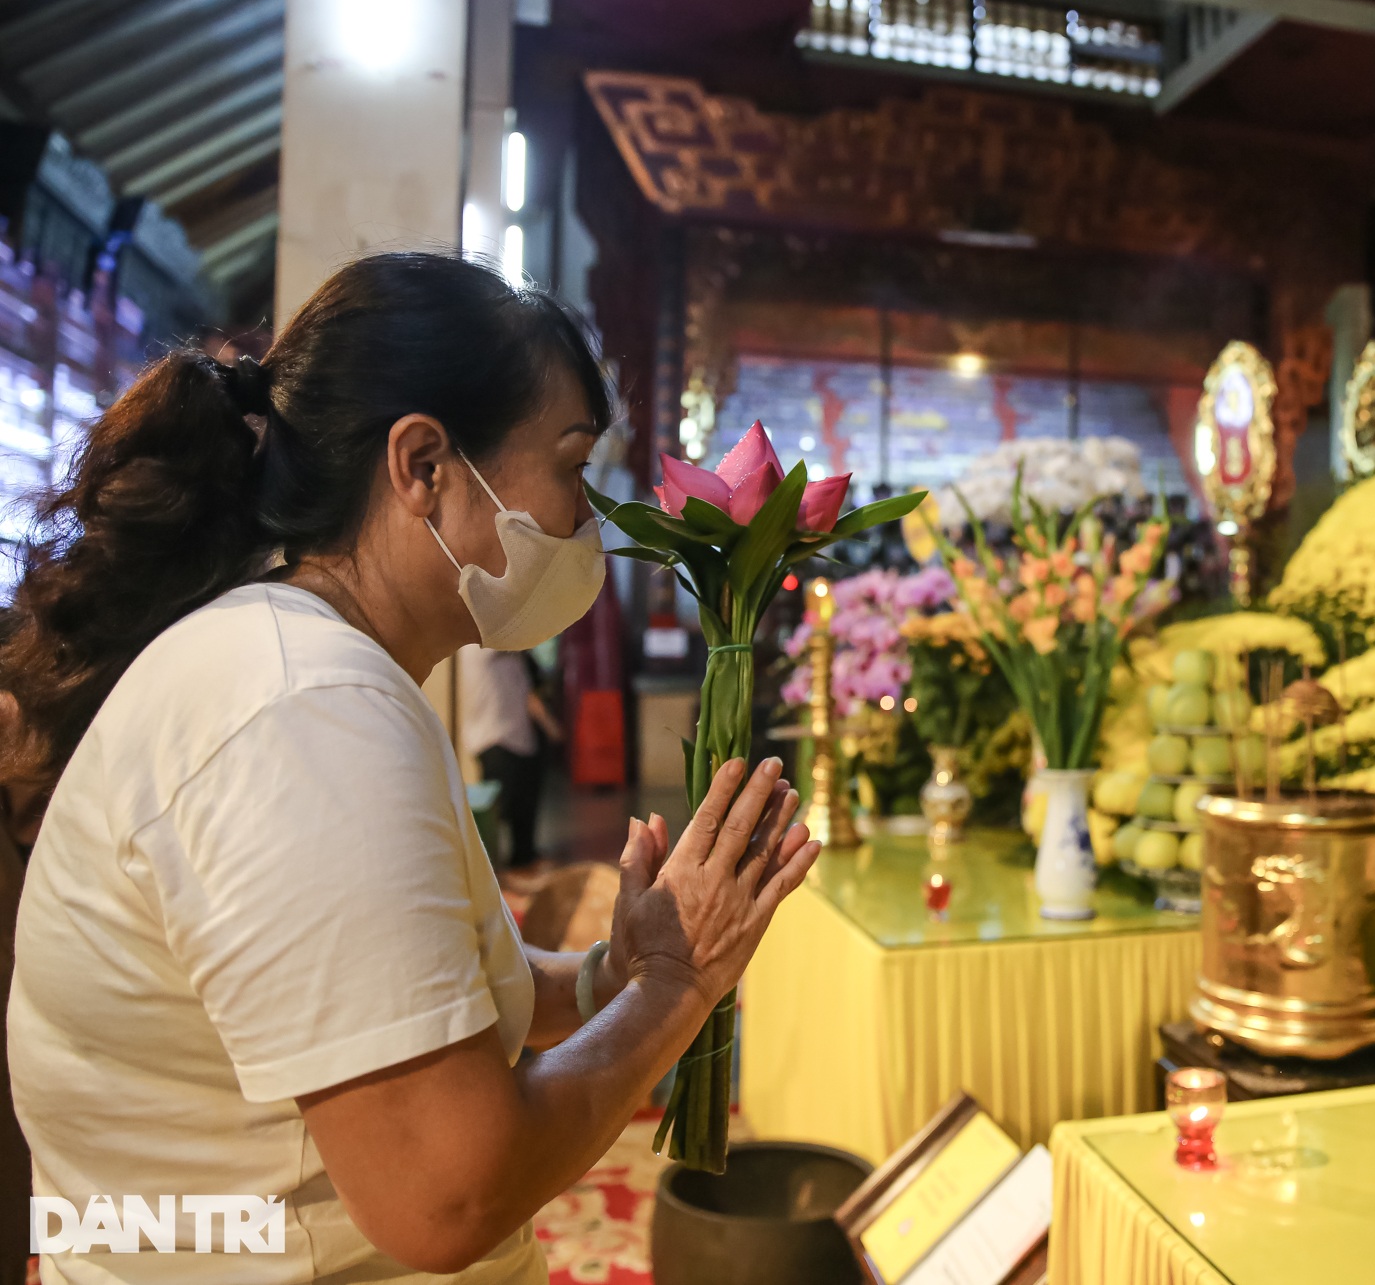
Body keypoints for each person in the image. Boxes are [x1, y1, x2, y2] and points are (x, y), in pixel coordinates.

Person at [1, 252, 820, 1283]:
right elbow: (447, 1195)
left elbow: (429, 996)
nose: (587, 523)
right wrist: (677, 985)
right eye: (571, 469)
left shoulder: (305, 670)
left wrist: (616, 970)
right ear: (424, 465)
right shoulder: (302, 712)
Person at [457, 644, 562, 868]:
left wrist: (548, 724)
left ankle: (523, 857)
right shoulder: (480, 645)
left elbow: (526, 694)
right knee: (501, 809)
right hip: (494, 737)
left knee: (524, 804)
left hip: (519, 736)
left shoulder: (515, 658)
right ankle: (494, 870)